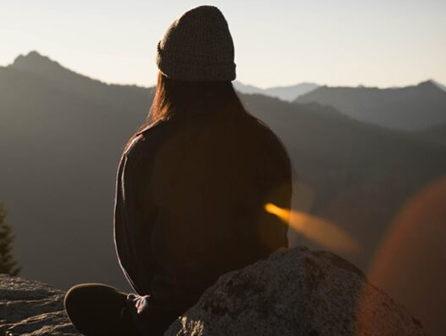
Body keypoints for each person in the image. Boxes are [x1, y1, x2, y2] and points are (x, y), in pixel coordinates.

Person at [64, 5, 293, 336]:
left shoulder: (146, 150)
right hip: (259, 310)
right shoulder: (266, 146)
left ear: (165, 75)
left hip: (174, 319)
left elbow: (135, 257)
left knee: (82, 300)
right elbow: (275, 243)